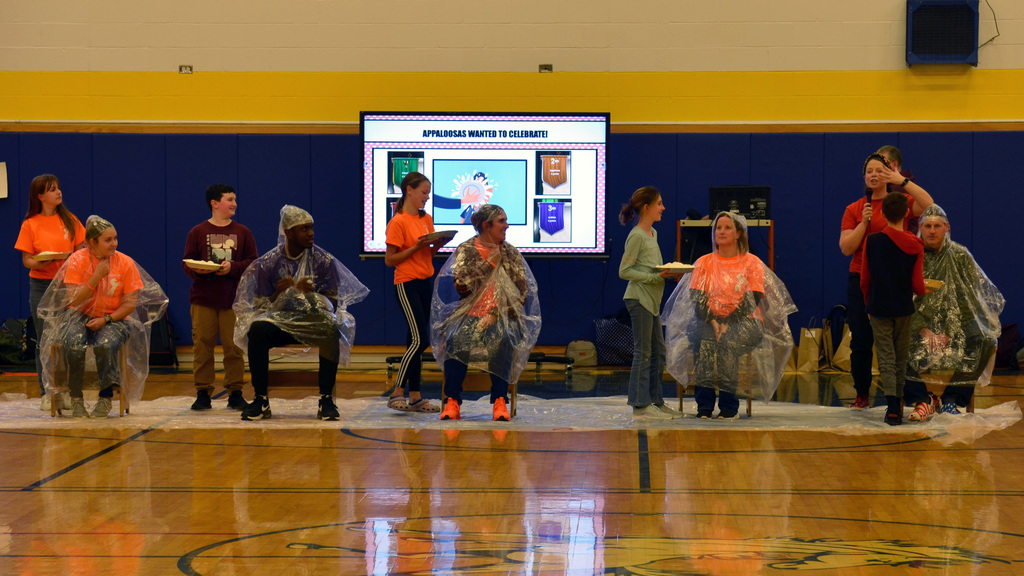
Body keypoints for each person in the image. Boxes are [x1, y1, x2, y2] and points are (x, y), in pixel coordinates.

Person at [233, 205, 369, 421]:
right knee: (257, 329)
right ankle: (261, 399)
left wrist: (313, 295)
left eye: (311, 228)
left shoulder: (323, 261)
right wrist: (279, 291)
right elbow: (259, 307)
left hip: (312, 320)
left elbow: (333, 304)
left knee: (331, 327)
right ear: (288, 233)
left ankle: (326, 400)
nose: (311, 233)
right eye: (304, 229)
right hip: (279, 322)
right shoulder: (268, 263)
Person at [663, 212, 796, 419]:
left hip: (746, 321)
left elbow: (755, 296)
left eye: (727, 228)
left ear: (739, 233)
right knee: (704, 342)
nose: (721, 232)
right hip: (707, 319)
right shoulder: (704, 262)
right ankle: (704, 407)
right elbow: (697, 296)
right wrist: (714, 321)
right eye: (718, 227)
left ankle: (728, 407)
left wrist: (728, 323)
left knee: (727, 344)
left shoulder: (751, 262)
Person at [36, 216, 168, 418]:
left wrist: (106, 320)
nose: (113, 243)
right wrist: (96, 275)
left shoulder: (125, 262)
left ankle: (105, 397)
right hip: (79, 313)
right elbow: (75, 299)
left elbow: (130, 304)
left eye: (115, 238)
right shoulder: (77, 260)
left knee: (104, 344)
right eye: (108, 240)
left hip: (114, 317)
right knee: (73, 343)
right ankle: (76, 398)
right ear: (91, 243)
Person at [840, 152, 933, 410]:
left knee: (897, 345)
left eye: (878, 170)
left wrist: (901, 180)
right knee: (861, 340)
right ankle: (862, 395)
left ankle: (900, 397)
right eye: (869, 171)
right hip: (861, 278)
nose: (873, 175)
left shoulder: (899, 202)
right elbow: (846, 248)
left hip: (894, 281)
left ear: (887, 174)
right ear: (864, 177)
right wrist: (864, 223)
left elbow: (928, 204)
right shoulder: (855, 209)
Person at [430, 205, 541, 422]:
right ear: (486, 225)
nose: (506, 226)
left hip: (503, 315)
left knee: (501, 338)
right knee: (455, 338)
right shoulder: (467, 250)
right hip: (470, 313)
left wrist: (496, 314)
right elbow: (463, 287)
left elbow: (521, 294)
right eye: (501, 221)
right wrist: (490, 261)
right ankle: (452, 400)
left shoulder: (510, 253)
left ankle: (500, 400)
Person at [904, 204, 1004, 420]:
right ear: (920, 228)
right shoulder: (911, 254)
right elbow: (906, 299)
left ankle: (951, 399)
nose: (932, 231)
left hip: (955, 325)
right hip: (919, 325)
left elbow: (969, 301)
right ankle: (923, 399)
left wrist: (949, 332)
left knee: (984, 339)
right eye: (927, 226)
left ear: (946, 227)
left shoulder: (960, 256)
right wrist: (925, 331)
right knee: (893, 343)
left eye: (937, 226)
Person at [182, 184, 259, 411]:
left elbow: (253, 262)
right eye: (229, 199)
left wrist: (232, 268)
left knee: (233, 348)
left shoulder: (243, 232)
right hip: (203, 299)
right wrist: (200, 270)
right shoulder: (197, 232)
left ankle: (235, 392)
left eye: (235, 199)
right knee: (202, 347)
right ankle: (203, 392)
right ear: (215, 203)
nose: (234, 203)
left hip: (232, 300)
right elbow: (187, 262)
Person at [14, 174, 86, 410]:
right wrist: (40, 262)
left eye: (58, 188)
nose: (58, 192)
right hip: (41, 285)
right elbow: (27, 260)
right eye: (52, 189)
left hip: (66, 284)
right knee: (44, 339)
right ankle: (46, 391)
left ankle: (66, 390)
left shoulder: (70, 220)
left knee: (67, 338)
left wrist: (70, 260)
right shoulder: (30, 223)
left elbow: (81, 252)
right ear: (40, 196)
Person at [860, 193, 926, 426]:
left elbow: (864, 279)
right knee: (900, 358)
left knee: (886, 358)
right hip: (903, 308)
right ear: (907, 213)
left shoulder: (872, 241)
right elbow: (918, 285)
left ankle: (892, 409)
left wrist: (868, 302)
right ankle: (898, 403)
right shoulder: (916, 244)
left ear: (882, 214)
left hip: (878, 306)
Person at [383, 172, 445, 413]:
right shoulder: (398, 221)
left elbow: (425, 255)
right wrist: (417, 246)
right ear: (409, 190)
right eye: (424, 193)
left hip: (424, 281)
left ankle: (416, 396)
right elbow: (390, 260)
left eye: (428, 193)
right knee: (421, 339)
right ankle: (397, 392)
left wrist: (434, 246)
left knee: (414, 340)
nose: (426, 198)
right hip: (406, 283)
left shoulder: (426, 219)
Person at [618, 186, 681, 420]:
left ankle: (655, 401)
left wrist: (668, 272)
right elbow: (624, 271)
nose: (663, 208)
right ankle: (640, 404)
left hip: (652, 301)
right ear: (647, 207)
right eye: (659, 204)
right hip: (639, 299)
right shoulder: (636, 235)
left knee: (658, 352)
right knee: (643, 352)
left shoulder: (652, 234)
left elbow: (650, 267)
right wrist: (655, 277)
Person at [876, 145, 920, 234]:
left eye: (882, 163)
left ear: (894, 164)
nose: (878, 168)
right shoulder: (906, 182)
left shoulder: (900, 187)